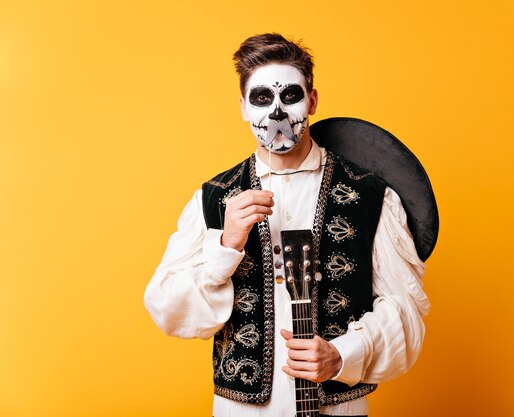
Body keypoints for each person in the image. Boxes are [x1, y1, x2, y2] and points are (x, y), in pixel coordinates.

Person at [144, 33, 430, 417]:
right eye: (261, 98)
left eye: (290, 96)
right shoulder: (212, 198)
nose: (276, 113)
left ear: (311, 100)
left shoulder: (371, 196)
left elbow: (406, 312)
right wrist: (225, 246)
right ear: (243, 107)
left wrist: (344, 355)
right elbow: (167, 310)